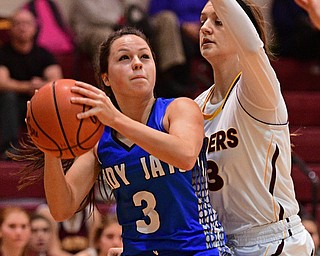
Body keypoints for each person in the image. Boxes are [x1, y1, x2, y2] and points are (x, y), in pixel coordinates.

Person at [16, 26, 231, 255]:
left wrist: (116, 119)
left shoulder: (178, 109)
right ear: (106, 78)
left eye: (145, 56)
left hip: (198, 249)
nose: (137, 63)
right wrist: (50, 145)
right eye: (124, 57)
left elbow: (186, 155)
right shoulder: (100, 140)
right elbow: (61, 208)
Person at [195, 0, 314, 255]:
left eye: (218, 21)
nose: (205, 28)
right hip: (223, 243)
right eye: (202, 20)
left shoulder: (257, 89)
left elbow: (251, 47)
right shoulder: (195, 108)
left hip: (274, 240)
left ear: (242, 29)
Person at [0, 9, 63, 159]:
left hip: (36, 104)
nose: (22, 27)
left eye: (27, 23)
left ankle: (49, 149)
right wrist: (30, 86)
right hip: (8, 107)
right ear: (11, 29)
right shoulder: (3, 53)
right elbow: (2, 83)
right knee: (8, 97)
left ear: (35, 28)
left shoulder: (44, 54)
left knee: (51, 99)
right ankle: (9, 149)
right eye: (18, 24)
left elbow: (57, 81)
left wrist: (39, 86)